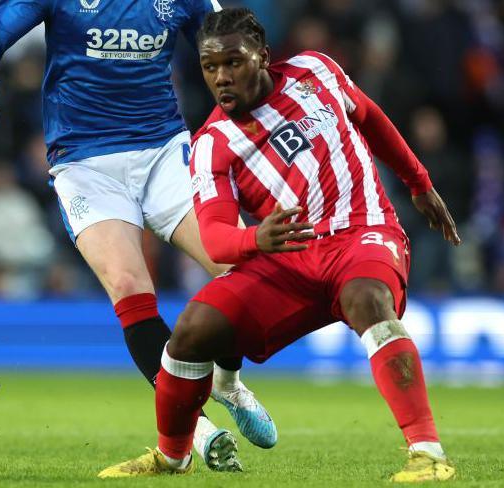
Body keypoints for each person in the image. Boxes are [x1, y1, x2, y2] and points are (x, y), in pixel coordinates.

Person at [97, 8, 461, 482]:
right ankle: (173, 457)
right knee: (191, 331)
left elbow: (369, 116)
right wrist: (256, 238)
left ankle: (427, 453)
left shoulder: (317, 71)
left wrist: (419, 182)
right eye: (210, 68)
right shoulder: (212, 144)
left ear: (263, 57)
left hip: (363, 233)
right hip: (288, 259)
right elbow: (215, 236)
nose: (222, 78)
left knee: (367, 299)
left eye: (234, 63)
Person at [0, 0, 278, 471]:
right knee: (129, 285)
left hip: (164, 151)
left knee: (239, 267)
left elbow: (232, 44)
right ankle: (196, 429)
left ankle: (227, 381)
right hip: (85, 163)